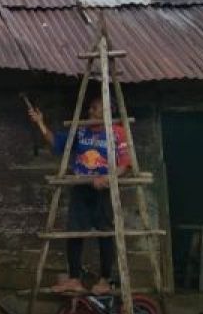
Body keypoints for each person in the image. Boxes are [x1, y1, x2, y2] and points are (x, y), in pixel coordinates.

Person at [27, 94, 130, 295]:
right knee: (74, 232)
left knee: (106, 233)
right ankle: (74, 278)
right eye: (90, 108)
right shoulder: (81, 130)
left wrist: (107, 178)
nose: (90, 112)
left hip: (104, 190)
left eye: (95, 108)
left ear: (107, 112)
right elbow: (57, 143)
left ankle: (105, 280)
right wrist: (40, 122)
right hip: (81, 187)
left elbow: (125, 164)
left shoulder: (117, 132)